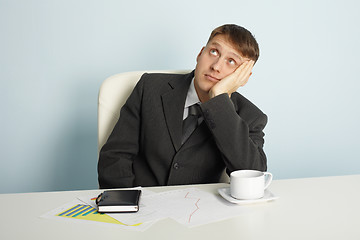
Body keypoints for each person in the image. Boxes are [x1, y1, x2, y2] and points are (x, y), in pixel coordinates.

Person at [98, 24, 267, 188]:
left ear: (243, 77)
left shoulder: (250, 116)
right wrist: (126, 204)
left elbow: (251, 176)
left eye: (231, 61)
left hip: (201, 211)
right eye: (213, 52)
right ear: (201, 54)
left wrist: (219, 99)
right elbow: (115, 157)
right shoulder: (149, 87)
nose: (216, 66)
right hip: (140, 206)